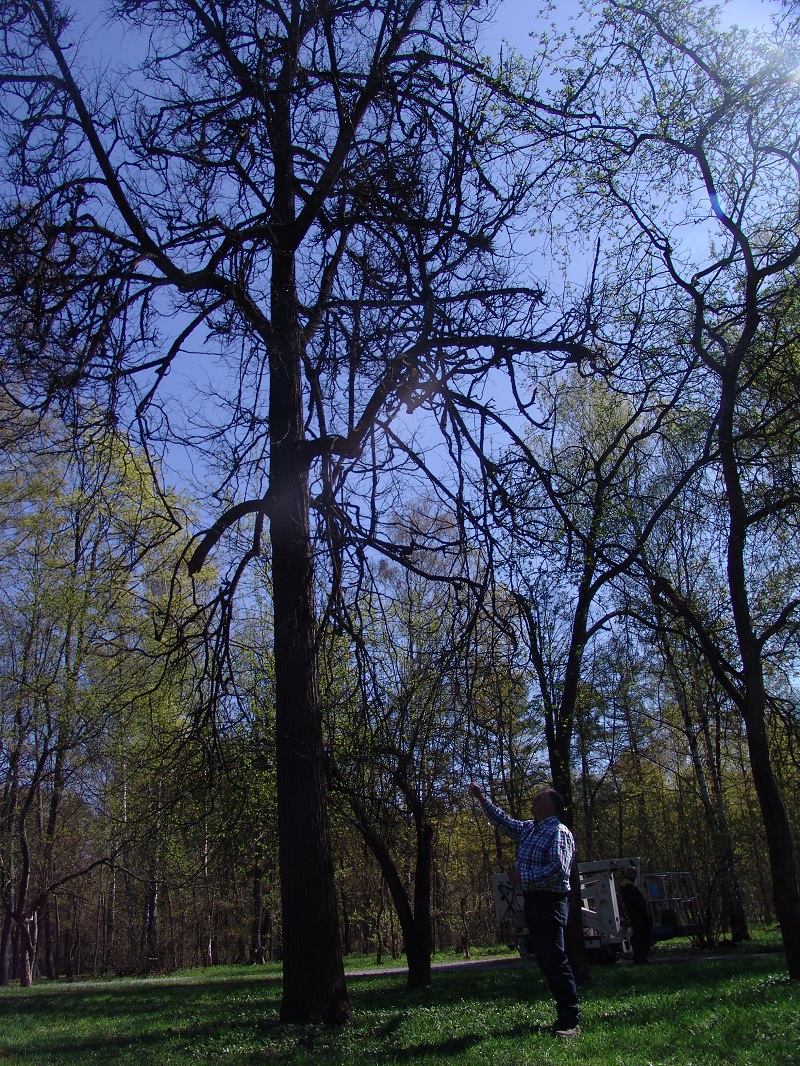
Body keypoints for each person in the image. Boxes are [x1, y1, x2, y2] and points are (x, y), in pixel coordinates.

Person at [468, 782, 581, 1037]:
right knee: (545, 960)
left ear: (549, 806)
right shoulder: (531, 829)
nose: (533, 799)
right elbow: (504, 822)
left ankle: (571, 1019)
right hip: (534, 902)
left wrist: (523, 877)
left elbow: (559, 870)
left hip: (551, 902)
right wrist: (482, 799)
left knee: (555, 959)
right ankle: (564, 1015)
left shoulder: (559, 832)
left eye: (538, 797)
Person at [619, 865, 653, 964]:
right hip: (637, 915)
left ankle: (641, 957)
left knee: (641, 936)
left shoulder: (630, 884)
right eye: (633, 872)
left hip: (637, 915)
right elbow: (636, 901)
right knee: (640, 937)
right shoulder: (627, 885)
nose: (635, 874)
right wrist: (644, 912)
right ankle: (640, 958)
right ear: (628, 873)